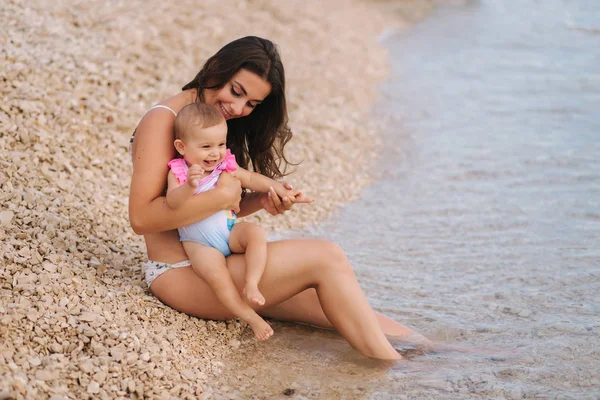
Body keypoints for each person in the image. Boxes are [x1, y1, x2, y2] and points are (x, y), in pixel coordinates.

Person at [129, 36, 431, 360]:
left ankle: (443, 353)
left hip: (219, 258)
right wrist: (221, 198)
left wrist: (258, 201)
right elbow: (142, 219)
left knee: (333, 300)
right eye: (237, 91)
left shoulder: (213, 125)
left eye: (251, 105)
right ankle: (394, 371)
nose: (238, 109)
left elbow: (209, 209)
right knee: (326, 257)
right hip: (183, 273)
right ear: (216, 68)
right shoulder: (163, 121)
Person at [165, 102, 303, 340]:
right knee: (218, 279)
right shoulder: (178, 171)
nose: (215, 152)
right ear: (182, 147)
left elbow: (251, 178)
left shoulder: (224, 165)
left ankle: (252, 283)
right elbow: (173, 203)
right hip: (199, 243)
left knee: (255, 233)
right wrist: (189, 186)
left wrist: (281, 189)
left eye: (220, 144)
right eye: (206, 146)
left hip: (229, 231)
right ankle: (250, 317)